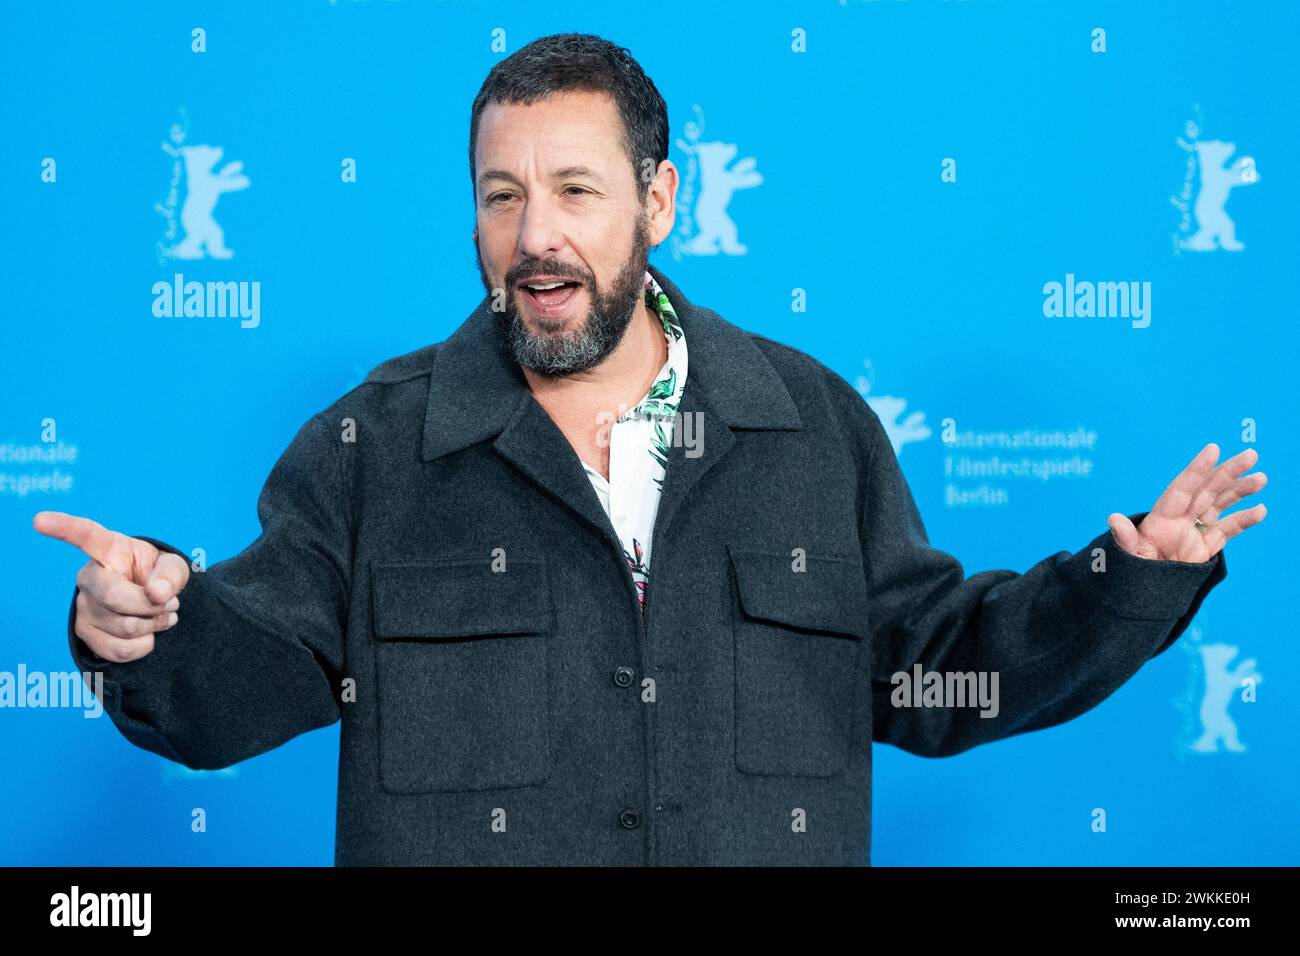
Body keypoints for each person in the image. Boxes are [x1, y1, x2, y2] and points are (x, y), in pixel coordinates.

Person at [34, 33, 1267, 866]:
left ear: (658, 201)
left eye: (574, 190)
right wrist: (147, 627)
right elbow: (244, 683)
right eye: (500, 194)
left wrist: (1128, 587)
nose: (533, 236)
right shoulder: (371, 442)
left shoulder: (810, 421)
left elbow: (931, 669)